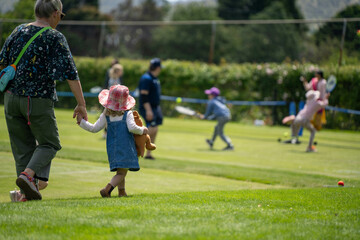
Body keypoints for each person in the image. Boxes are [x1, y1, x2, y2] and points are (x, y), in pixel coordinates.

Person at [0, 0, 87, 201]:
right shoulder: (54, 36)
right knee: (49, 143)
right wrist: (81, 104)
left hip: (11, 98)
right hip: (37, 98)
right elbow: (70, 73)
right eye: (61, 16)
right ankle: (27, 176)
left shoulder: (18, 30)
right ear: (56, 13)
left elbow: (2, 61)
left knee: (22, 148)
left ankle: (24, 195)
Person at [79, 85, 148, 197]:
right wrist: (143, 130)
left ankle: (122, 192)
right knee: (122, 172)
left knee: (120, 170)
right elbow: (132, 128)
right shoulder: (127, 114)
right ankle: (107, 189)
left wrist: (81, 122)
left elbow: (94, 128)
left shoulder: (106, 114)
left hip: (112, 148)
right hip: (125, 147)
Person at [138, 58, 163, 160]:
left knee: (155, 128)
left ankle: (148, 153)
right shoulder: (146, 78)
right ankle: (137, 146)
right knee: (151, 128)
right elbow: (144, 96)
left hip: (155, 107)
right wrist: (148, 110)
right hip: (148, 107)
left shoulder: (154, 78)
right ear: (157, 68)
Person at [102, 63, 123, 138]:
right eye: (121, 71)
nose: (122, 72)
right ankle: (107, 133)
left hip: (114, 101)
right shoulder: (113, 79)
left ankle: (108, 133)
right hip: (112, 101)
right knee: (109, 116)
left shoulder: (117, 78)